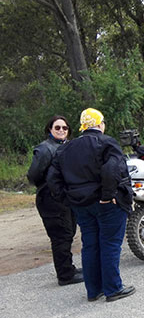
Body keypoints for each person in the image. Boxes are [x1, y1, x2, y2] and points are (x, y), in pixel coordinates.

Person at [47, 108, 135, 302]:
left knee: (90, 245)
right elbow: (113, 168)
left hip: (81, 205)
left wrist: (68, 199)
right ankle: (113, 288)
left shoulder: (65, 148)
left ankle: (93, 290)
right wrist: (108, 194)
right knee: (110, 244)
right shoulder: (106, 142)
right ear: (100, 124)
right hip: (107, 203)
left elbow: (52, 179)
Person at [26, 115, 83, 286]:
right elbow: (33, 175)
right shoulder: (44, 149)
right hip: (50, 199)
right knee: (61, 236)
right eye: (57, 127)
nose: (61, 131)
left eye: (64, 128)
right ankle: (65, 275)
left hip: (65, 198)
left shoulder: (66, 146)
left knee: (68, 232)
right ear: (50, 129)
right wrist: (49, 187)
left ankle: (68, 267)